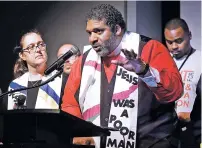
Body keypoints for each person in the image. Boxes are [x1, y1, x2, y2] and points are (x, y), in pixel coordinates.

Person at [62, 4, 183, 148]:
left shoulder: (149, 48)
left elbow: (174, 92)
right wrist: (81, 132)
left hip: (151, 141)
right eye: (89, 33)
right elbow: (70, 102)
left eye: (98, 31)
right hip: (100, 143)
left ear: (117, 29)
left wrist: (145, 71)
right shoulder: (84, 61)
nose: (92, 39)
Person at [164, 18, 201, 148]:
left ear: (189, 35)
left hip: (193, 131)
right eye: (169, 42)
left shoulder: (200, 60)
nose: (174, 46)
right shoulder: (161, 61)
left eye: (179, 41)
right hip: (166, 131)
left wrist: (192, 117)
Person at [8, 29, 62, 110]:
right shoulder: (15, 86)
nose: (38, 50)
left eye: (41, 44)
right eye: (31, 47)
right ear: (22, 55)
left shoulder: (59, 79)